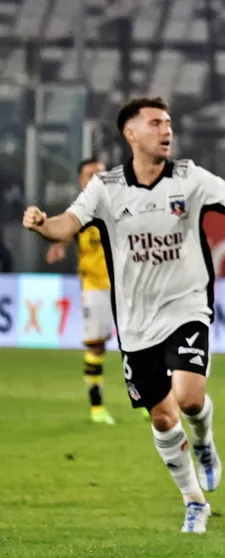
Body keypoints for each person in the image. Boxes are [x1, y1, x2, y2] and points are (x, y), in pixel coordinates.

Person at [22, 96, 225, 534]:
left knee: (189, 398)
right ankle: (194, 501)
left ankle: (204, 442)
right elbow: (66, 225)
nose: (166, 129)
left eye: (168, 122)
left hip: (187, 304)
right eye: (155, 123)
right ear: (130, 133)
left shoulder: (189, 177)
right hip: (136, 320)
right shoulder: (106, 187)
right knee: (163, 418)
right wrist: (41, 224)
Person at [46, 158, 148, 424]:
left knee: (140, 344)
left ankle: (147, 400)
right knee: (96, 346)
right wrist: (59, 245)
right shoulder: (79, 211)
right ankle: (97, 407)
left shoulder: (121, 205)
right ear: (81, 180)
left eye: (100, 174)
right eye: (90, 174)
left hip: (126, 286)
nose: (95, 179)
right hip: (95, 287)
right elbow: (65, 231)